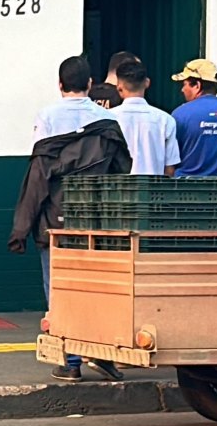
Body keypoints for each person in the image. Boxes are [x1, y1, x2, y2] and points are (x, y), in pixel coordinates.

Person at [10, 55, 129, 382]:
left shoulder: (47, 117)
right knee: (100, 289)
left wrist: (21, 228)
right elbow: (122, 170)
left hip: (55, 220)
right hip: (96, 220)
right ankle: (104, 354)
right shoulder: (107, 121)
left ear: (60, 84)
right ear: (90, 84)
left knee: (60, 291)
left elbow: (39, 174)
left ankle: (72, 362)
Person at [110, 60, 180, 176]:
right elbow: (170, 168)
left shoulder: (108, 118)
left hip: (119, 186)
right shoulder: (166, 120)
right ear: (147, 83)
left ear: (119, 87)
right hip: (154, 186)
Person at [171, 59, 217, 177]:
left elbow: (169, 158)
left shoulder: (180, 114)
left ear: (197, 86)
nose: (182, 90)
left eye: (184, 84)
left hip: (184, 185)